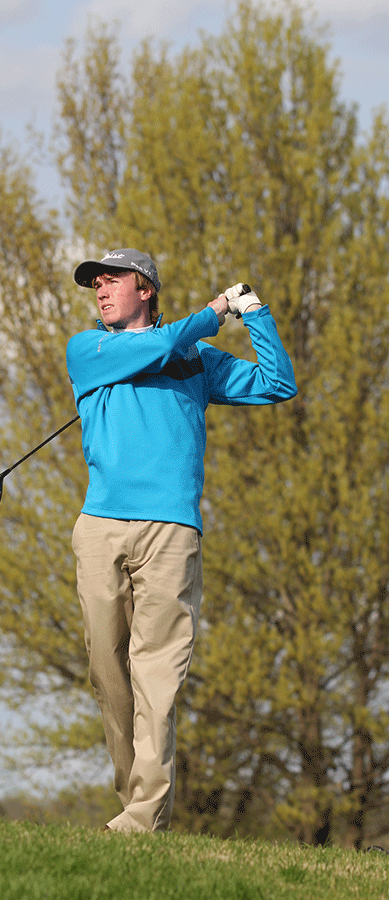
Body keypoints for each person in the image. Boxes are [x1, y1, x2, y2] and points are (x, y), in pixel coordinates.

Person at [66, 248, 297, 834]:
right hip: (100, 527)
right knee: (107, 669)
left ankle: (143, 816)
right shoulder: (90, 349)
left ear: (145, 288)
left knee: (157, 672)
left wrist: (255, 314)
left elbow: (277, 383)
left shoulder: (195, 358)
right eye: (96, 282)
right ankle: (133, 797)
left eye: (112, 279)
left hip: (171, 531)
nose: (100, 289)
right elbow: (159, 347)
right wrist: (216, 308)